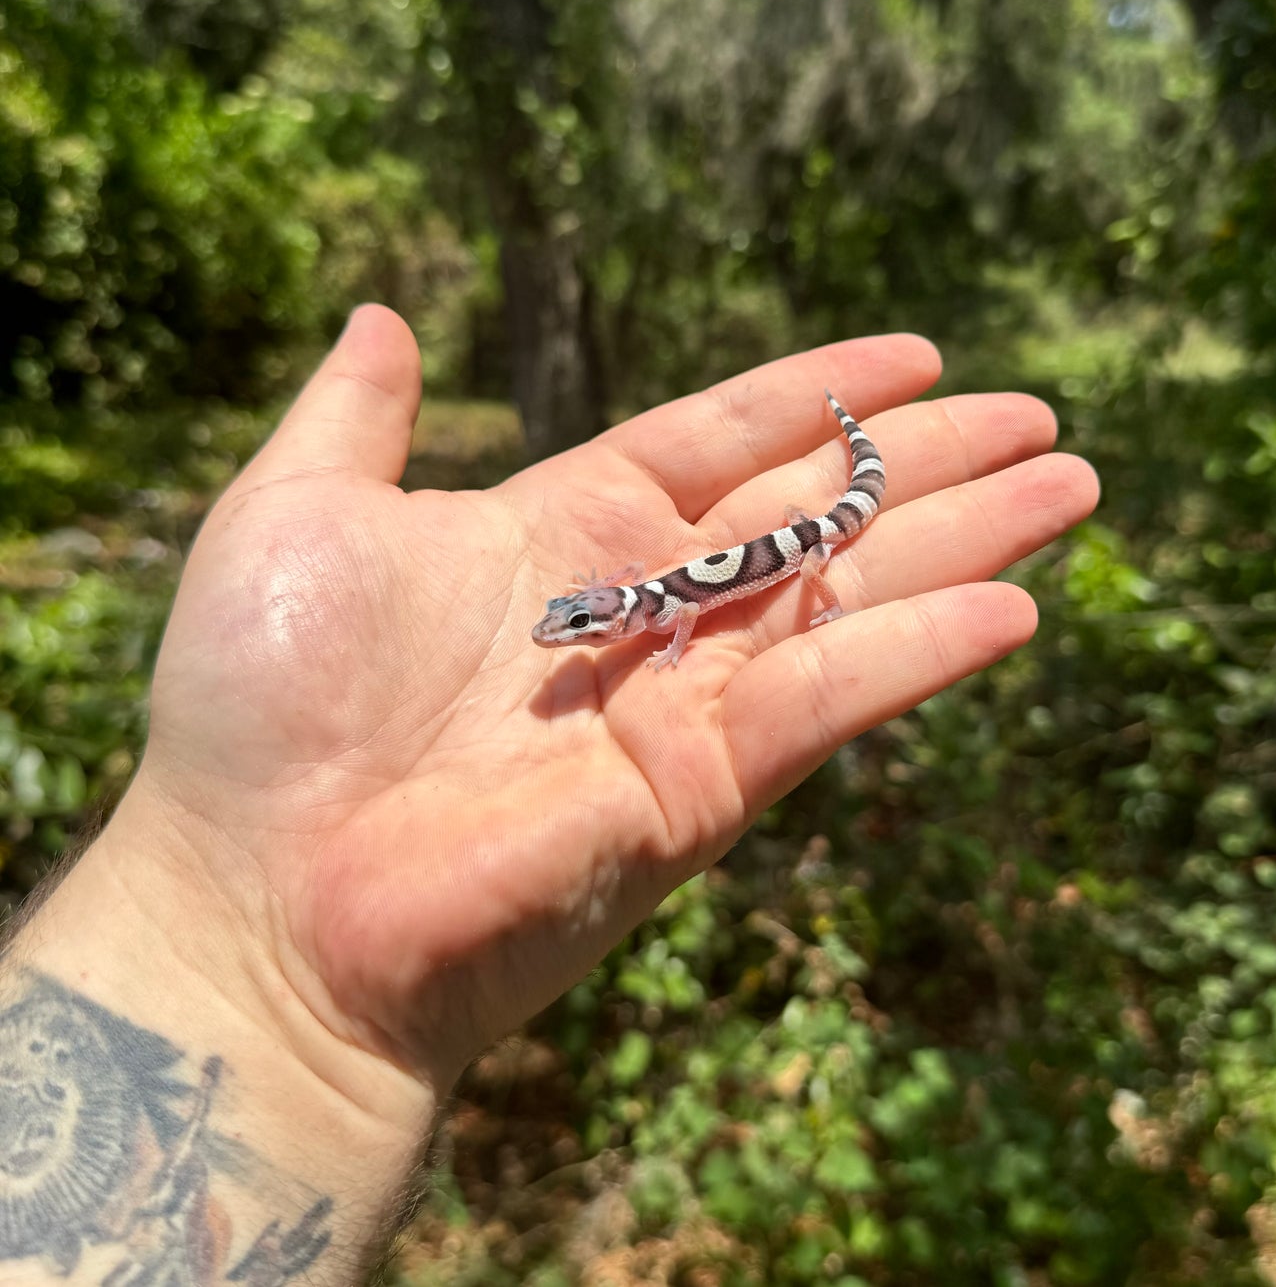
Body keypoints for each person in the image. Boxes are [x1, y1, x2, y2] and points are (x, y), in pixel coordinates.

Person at [0, 305, 1098, 1285]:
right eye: (573, 624)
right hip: (763, 556)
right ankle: (852, 452)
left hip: (807, 547)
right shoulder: (624, 605)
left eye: (574, 624)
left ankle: (854, 456)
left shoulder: (651, 608)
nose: (564, 637)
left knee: (834, 526)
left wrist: (762, 587)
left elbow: (677, 611)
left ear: (604, 619)